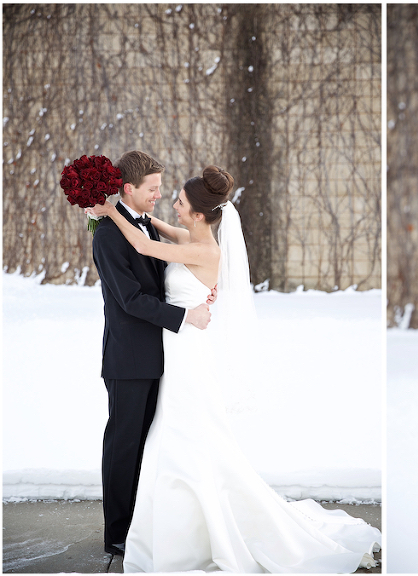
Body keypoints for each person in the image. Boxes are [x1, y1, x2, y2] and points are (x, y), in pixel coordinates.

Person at [87, 165, 381, 572]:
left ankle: (190, 523)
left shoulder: (203, 250)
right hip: (171, 350)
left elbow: (141, 244)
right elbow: (150, 228)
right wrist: (119, 211)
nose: (171, 202)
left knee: (187, 435)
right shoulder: (192, 237)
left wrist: (108, 210)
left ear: (199, 214)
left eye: (181, 202)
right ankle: (161, 518)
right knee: (167, 436)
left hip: (186, 353)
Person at [91, 150, 214, 557]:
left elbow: (165, 273)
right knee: (124, 445)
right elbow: (129, 299)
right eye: (153, 189)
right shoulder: (109, 234)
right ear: (128, 188)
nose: (159, 195)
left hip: (163, 357)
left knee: (150, 445)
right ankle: (117, 533)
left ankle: (144, 524)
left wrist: (198, 290)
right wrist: (185, 315)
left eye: (162, 188)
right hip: (128, 359)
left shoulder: (139, 225)